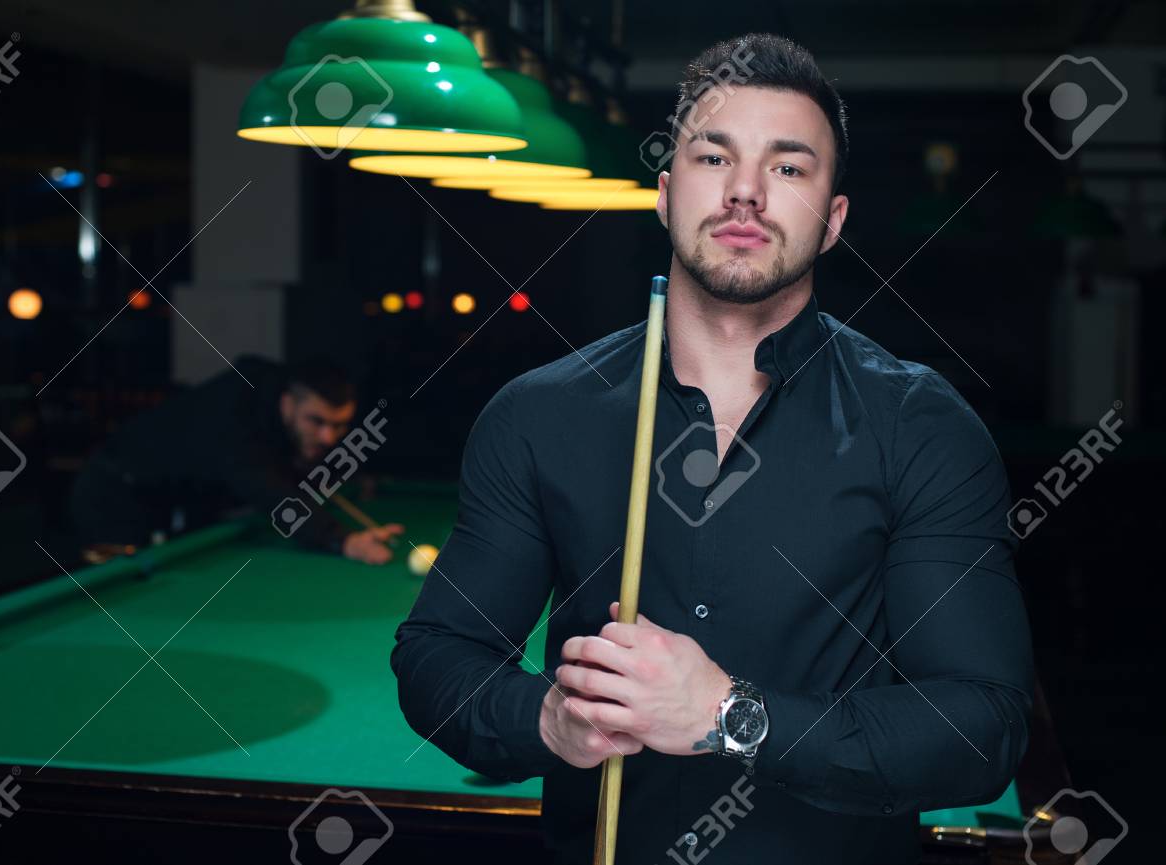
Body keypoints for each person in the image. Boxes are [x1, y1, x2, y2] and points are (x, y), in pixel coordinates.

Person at [391, 33, 1032, 865]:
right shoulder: (537, 415)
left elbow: (984, 727)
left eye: (789, 168)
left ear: (832, 219)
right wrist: (547, 717)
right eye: (713, 157)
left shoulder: (922, 425)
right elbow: (436, 658)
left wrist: (730, 714)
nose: (745, 192)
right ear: (665, 193)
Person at [69, 354, 401, 563]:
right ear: (288, 404)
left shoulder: (282, 411)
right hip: (114, 492)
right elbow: (271, 493)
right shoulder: (236, 415)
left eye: (339, 425)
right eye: (317, 422)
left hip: (174, 499)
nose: (329, 437)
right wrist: (343, 540)